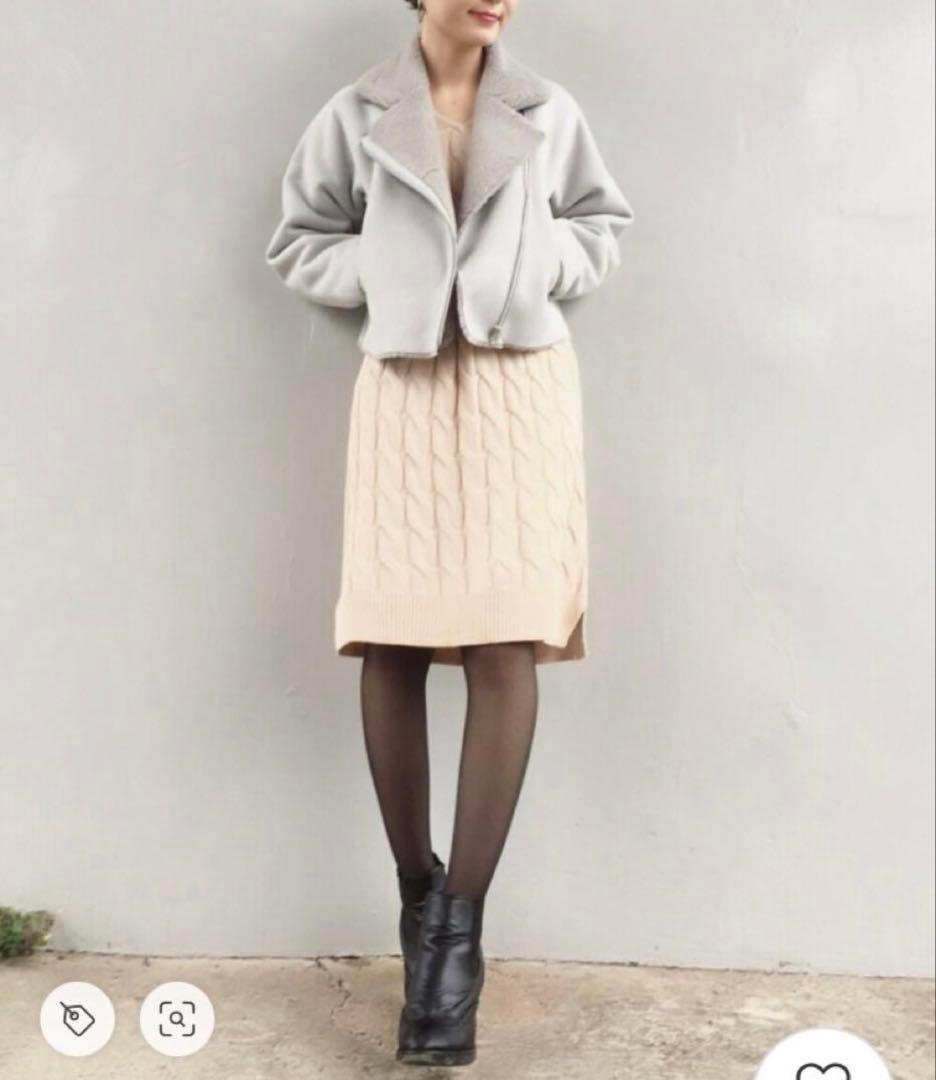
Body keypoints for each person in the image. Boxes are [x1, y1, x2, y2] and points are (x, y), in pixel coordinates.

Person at [265, 0, 634, 1065]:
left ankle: (455, 942)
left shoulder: (547, 110)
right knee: (390, 639)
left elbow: (602, 223)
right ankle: (417, 893)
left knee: (502, 643)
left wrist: (535, 265)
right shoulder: (357, 113)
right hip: (406, 388)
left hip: (522, 390)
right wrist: (387, 278)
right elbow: (299, 238)